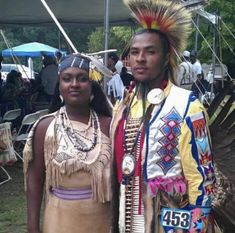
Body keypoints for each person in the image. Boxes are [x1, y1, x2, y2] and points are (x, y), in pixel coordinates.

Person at [111, 0, 216, 233]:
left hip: (170, 219)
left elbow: (203, 179)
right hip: (130, 215)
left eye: (150, 51)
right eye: (135, 52)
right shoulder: (124, 105)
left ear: (166, 56)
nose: (140, 58)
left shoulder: (187, 106)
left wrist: (196, 228)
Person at [23, 53, 113, 233]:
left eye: (82, 79)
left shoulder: (109, 125)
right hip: (59, 220)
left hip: (102, 219)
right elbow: (35, 178)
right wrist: (33, 225)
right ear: (59, 87)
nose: (74, 84)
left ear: (92, 86)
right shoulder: (45, 127)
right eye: (67, 79)